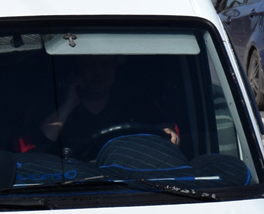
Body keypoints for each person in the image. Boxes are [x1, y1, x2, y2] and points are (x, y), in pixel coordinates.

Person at [36, 55, 179, 156]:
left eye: (106, 64)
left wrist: (167, 131)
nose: (99, 72)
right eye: (89, 65)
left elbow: (165, 128)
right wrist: (68, 105)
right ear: (76, 70)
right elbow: (38, 147)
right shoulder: (55, 103)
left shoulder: (134, 100)